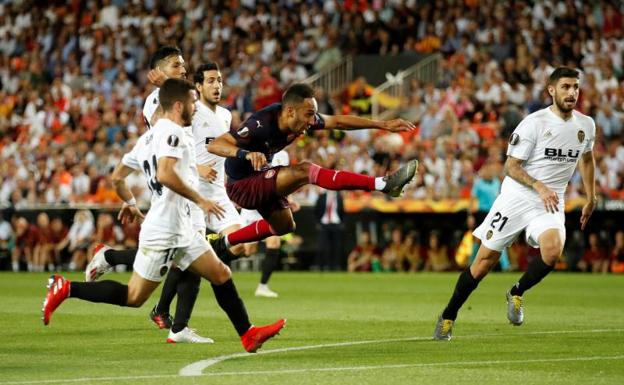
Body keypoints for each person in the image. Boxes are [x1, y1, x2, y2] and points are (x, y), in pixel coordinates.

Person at [42, 78, 285, 353]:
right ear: (179, 105)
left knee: (220, 272)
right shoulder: (174, 133)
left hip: (181, 226)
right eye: (193, 102)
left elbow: (117, 177)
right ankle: (66, 287)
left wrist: (131, 202)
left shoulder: (147, 138)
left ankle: (248, 334)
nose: (195, 108)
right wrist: (201, 200)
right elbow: (165, 173)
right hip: (165, 229)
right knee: (134, 296)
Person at [434, 67, 597, 340]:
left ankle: (516, 292)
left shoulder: (586, 125)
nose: (572, 92)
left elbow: (588, 159)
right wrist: (539, 186)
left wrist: (591, 196)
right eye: (566, 87)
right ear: (551, 90)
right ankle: (449, 314)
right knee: (484, 262)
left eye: (576, 87)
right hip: (518, 197)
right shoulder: (534, 123)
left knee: (553, 252)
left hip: (551, 200)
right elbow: (511, 166)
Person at [86, 46, 213, 343]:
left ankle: (168, 316)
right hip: (172, 191)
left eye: (183, 64)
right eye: (175, 65)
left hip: (187, 185)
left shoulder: (183, 95)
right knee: (188, 254)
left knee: (184, 255)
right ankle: (175, 323)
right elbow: (162, 129)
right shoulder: (155, 100)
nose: (183, 69)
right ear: (158, 71)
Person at [206, 83, 418, 256]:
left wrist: (382, 125)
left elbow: (337, 121)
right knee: (305, 170)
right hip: (241, 184)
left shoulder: (299, 118)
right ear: (290, 111)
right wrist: (245, 154)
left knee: (285, 227)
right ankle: (383, 184)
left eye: (313, 115)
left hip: (260, 177)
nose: (312, 121)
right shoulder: (260, 124)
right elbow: (214, 144)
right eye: (308, 114)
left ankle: (223, 243)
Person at [238, 150, 294, 298]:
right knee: (246, 250)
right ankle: (210, 256)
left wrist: (289, 200)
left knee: (274, 242)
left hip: (270, 208)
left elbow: (286, 181)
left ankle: (262, 286)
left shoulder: (283, 155)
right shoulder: (255, 151)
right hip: (252, 208)